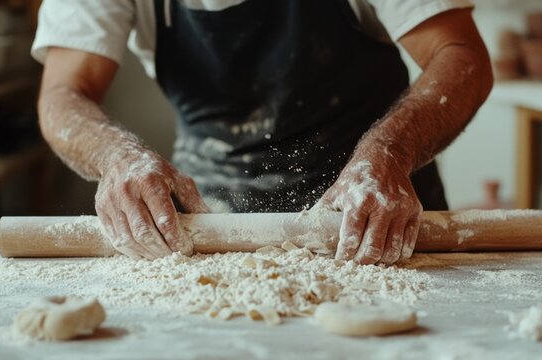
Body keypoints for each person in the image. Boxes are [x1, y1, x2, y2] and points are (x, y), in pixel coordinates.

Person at [32, 0, 493, 265]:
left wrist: (389, 152)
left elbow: (459, 55)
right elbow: (63, 92)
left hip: (375, 219)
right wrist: (117, 157)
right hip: (207, 229)